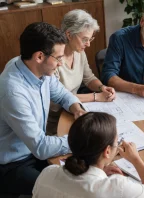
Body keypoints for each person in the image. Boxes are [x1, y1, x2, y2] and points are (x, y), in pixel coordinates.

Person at [0, 22, 86, 195]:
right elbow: (40, 146)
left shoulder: (32, 67)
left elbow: (62, 94)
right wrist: (83, 140)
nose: (61, 63)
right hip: (14, 164)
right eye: (58, 58)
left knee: (83, 175)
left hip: (36, 149)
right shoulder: (13, 91)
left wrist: (77, 109)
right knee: (68, 192)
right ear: (39, 56)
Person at [33, 112, 144, 198]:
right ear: (107, 151)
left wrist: (99, 169)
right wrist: (136, 159)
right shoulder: (117, 187)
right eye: (117, 142)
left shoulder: (47, 173)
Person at [46, 9, 116, 136]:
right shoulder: (53, 60)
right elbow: (59, 99)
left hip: (74, 113)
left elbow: (89, 78)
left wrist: (102, 87)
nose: (88, 44)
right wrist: (96, 97)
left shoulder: (79, 52)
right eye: (84, 39)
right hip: (55, 122)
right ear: (69, 34)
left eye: (90, 39)